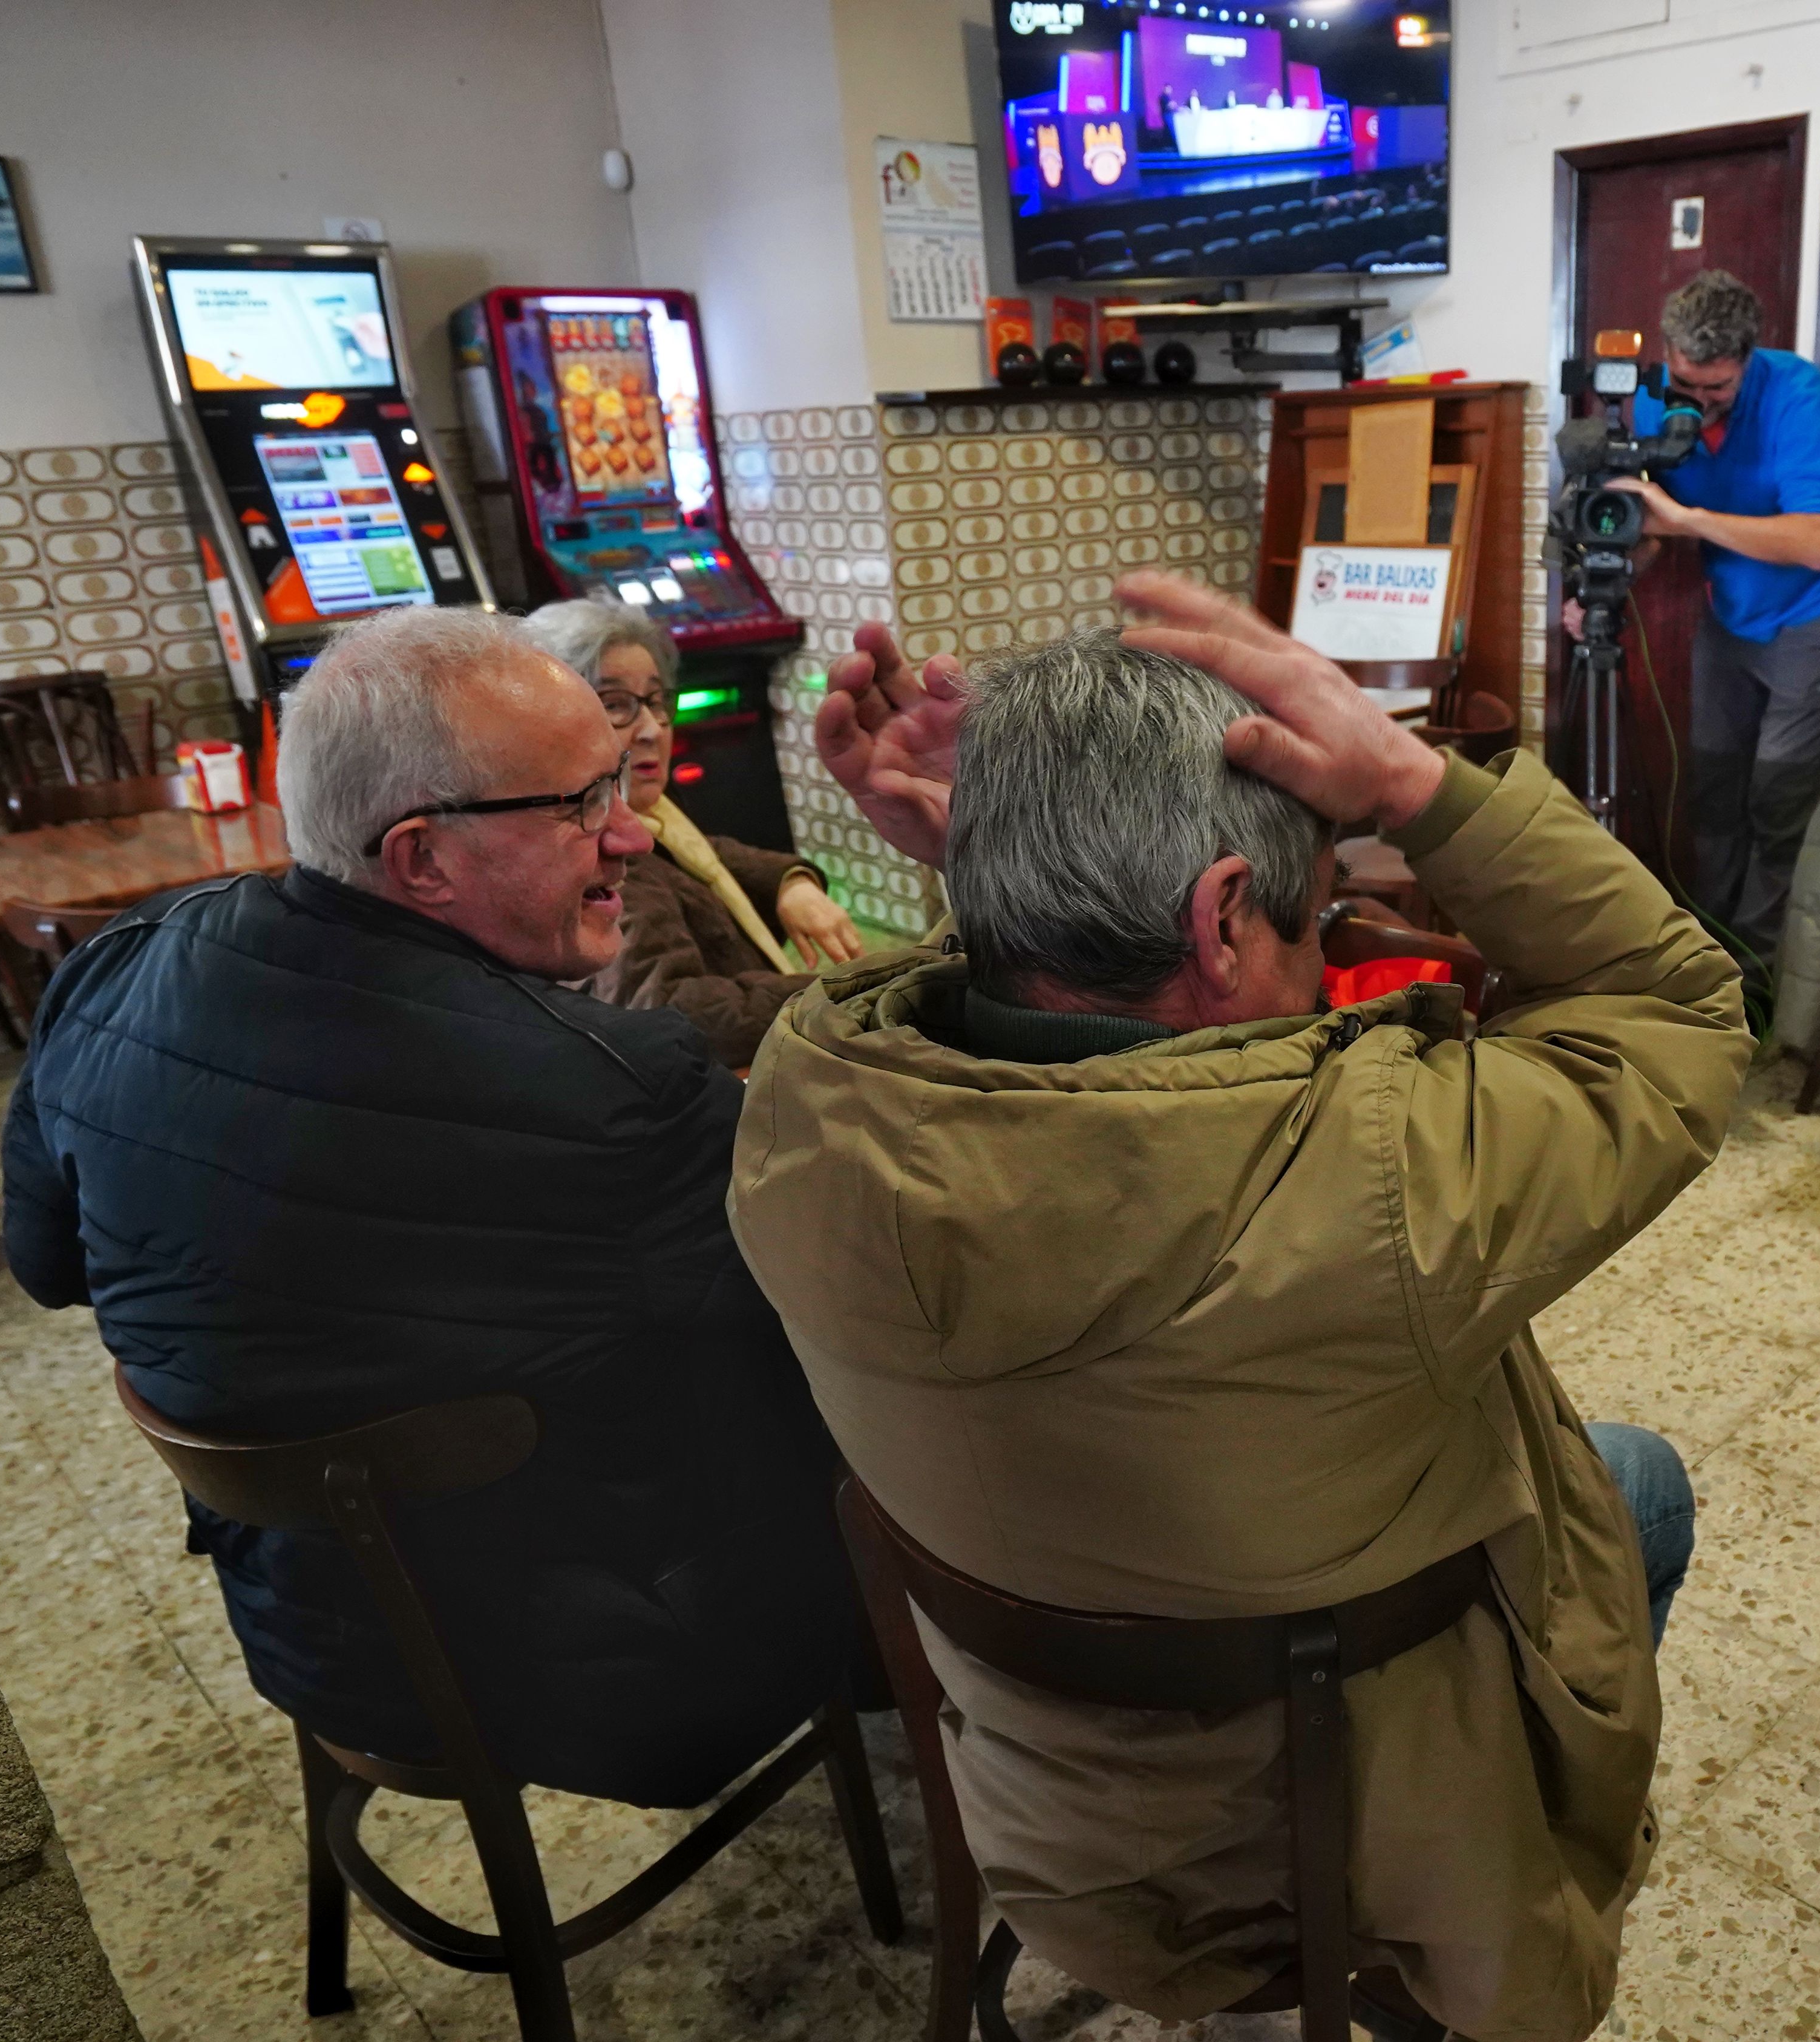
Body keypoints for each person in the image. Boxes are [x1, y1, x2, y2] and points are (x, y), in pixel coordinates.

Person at [731, 573, 1746, 2041]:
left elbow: (937, 1044)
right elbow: (1679, 1002)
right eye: (1315, 917)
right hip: (1351, 1842)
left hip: (1050, 1826)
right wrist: (1420, 786)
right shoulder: (1390, 1176)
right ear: (1221, 917)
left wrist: (1004, 888)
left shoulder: (798, 1118)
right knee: (1636, 1480)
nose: (1325, 956)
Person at [0, 606, 863, 1807]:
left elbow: (48, 1265)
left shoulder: (119, 962)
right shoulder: (619, 1088)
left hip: (304, 1633)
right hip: (620, 1680)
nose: (625, 835)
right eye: (579, 805)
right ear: (420, 857)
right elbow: (830, 1343)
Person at [1565, 267, 1820, 962]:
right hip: (1730, 609)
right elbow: (1649, 530)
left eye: (1719, 389)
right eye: (1689, 385)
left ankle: (1763, 980)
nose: (1702, 403)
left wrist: (1688, 521)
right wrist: (1600, 583)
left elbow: (1818, 541)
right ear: (1669, 357)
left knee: (1780, 795)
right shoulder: (1652, 403)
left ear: (1749, 361)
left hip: (1811, 609)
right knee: (1713, 784)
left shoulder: (1798, 394)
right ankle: (1712, 954)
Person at [525, 598, 864, 1068]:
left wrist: (792, 883)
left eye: (656, 701)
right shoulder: (593, 853)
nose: (652, 729)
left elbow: (702, 857)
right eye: (616, 705)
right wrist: (845, 992)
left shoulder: (648, 819)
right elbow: (672, 1011)